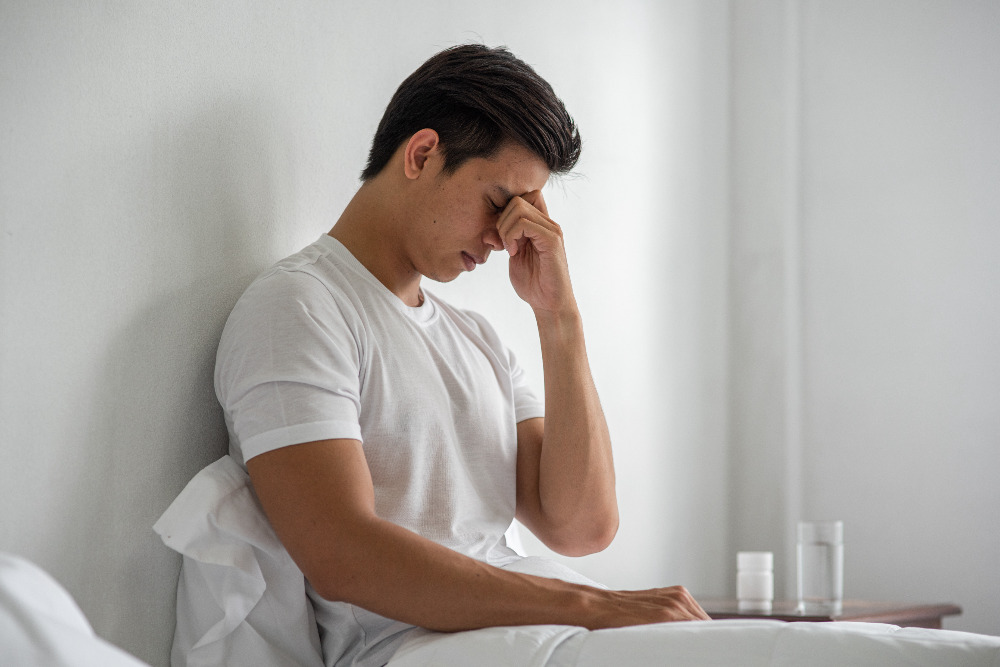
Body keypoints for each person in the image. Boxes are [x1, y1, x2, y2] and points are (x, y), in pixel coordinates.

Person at [214, 44, 709, 666]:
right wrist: (588, 605)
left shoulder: (479, 341)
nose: (505, 239)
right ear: (423, 154)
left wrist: (559, 317)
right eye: (500, 203)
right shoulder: (300, 307)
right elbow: (340, 552)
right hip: (418, 648)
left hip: (532, 635)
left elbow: (580, 528)